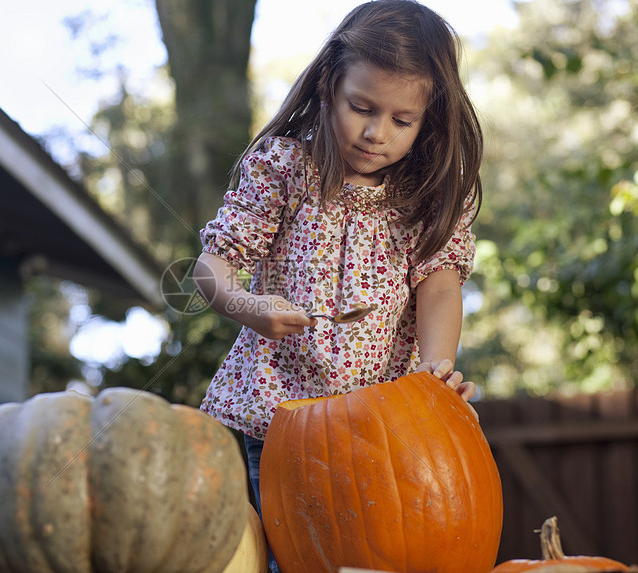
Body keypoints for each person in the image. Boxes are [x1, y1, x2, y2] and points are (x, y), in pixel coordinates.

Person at [193, 1, 482, 570]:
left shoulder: (429, 193)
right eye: (362, 108)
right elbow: (211, 268)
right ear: (330, 85)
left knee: (387, 554)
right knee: (292, 558)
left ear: (429, 117)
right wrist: (248, 306)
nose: (377, 133)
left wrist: (435, 370)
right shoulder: (285, 168)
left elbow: (440, 285)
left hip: (388, 420)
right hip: (282, 418)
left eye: (403, 120)